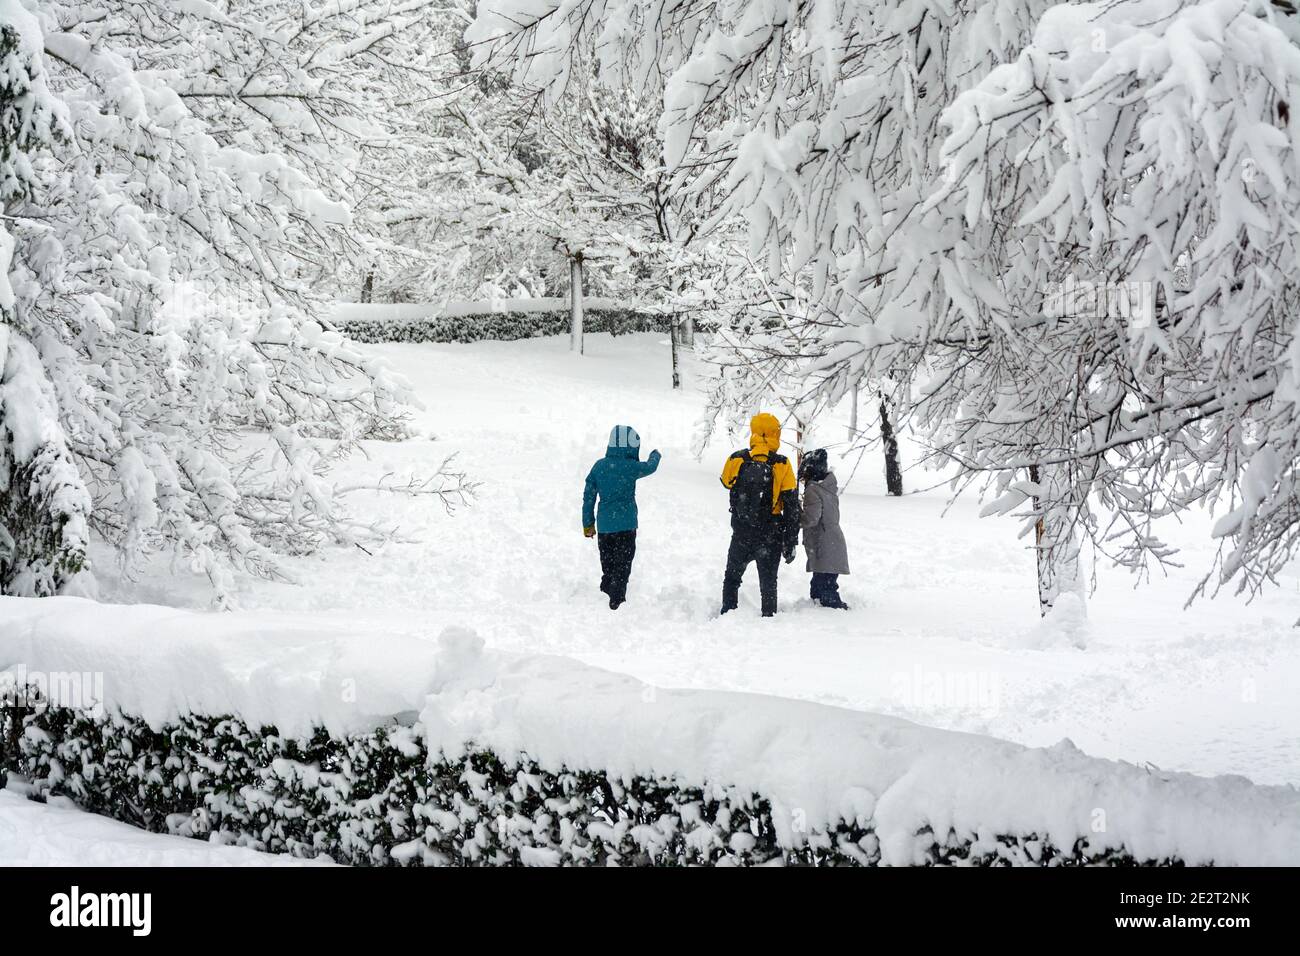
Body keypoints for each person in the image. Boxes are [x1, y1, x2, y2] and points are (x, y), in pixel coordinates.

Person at [719, 412, 800, 617]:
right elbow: (791, 507)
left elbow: (726, 481)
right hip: (770, 532)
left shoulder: (737, 458)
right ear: (776, 434)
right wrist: (790, 541)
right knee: (768, 582)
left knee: (732, 577)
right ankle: (768, 618)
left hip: (742, 530)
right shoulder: (782, 464)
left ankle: (728, 613)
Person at [582, 425, 661, 609]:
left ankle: (607, 585)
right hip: (626, 524)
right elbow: (651, 466)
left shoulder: (599, 466)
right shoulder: (630, 467)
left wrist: (588, 523)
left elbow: (589, 497)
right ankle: (617, 598)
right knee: (623, 562)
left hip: (605, 526)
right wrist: (656, 454)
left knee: (607, 559)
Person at [799, 448, 850, 609]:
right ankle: (818, 603)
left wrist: (796, 517)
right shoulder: (828, 487)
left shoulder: (813, 490)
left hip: (824, 543)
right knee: (823, 579)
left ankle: (831, 610)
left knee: (825, 587)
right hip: (832, 540)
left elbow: (811, 519)